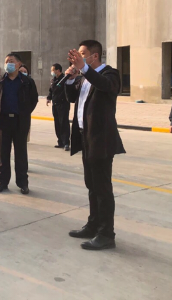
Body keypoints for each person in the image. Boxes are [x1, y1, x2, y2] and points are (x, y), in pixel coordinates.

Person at [64, 40, 125, 251]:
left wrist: (84, 69)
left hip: (101, 139)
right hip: (85, 137)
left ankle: (106, 234)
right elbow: (72, 98)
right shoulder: (84, 76)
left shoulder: (110, 74)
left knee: (102, 188)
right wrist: (70, 80)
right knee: (91, 185)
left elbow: (105, 86)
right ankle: (93, 225)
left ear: (95, 56)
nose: (78, 57)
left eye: (82, 54)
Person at [0, 52, 38, 195]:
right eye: (6, 61)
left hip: (20, 121)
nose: (8, 64)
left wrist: (23, 113)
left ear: (19, 64)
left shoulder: (27, 82)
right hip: (3, 121)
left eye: (11, 61)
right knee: (3, 153)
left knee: (21, 153)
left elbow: (33, 100)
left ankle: (23, 183)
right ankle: (2, 181)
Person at [47, 63, 71, 151]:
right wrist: (49, 98)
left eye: (53, 70)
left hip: (63, 104)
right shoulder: (53, 80)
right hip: (55, 104)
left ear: (58, 70)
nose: (52, 72)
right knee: (57, 123)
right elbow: (51, 90)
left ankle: (66, 143)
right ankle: (60, 141)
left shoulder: (64, 79)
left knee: (63, 123)